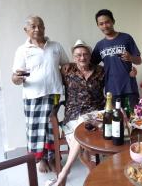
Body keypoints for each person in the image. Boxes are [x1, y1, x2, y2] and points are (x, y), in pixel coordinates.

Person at [12, 15, 69, 173]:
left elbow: (66, 66)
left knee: (52, 129)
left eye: (41, 26)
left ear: (44, 27)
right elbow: (15, 78)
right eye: (33, 26)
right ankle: (40, 159)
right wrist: (16, 79)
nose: (38, 29)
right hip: (33, 97)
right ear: (26, 30)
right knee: (35, 130)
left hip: (54, 94)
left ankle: (52, 158)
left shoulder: (55, 46)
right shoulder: (22, 50)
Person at [47, 39, 105, 186]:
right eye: (78, 55)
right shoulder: (66, 70)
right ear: (73, 57)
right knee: (80, 131)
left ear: (90, 55)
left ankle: (64, 173)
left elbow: (113, 85)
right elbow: (51, 79)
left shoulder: (100, 71)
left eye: (85, 54)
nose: (82, 57)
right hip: (73, 114)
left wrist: (131, 72)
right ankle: (94, 175)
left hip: (95, 114)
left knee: (82, 125)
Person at [91, 9, 142, 108]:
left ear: (113, 21)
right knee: (115, 121)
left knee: (133, 119)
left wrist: (131, 58)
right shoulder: (100, 45)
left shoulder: (126, 38)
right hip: (112, 90)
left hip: (129, 88)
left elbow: (139, 60)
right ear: (98, 26)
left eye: (107, 22)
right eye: (101, 24)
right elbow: (91, 65)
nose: (105, 26)